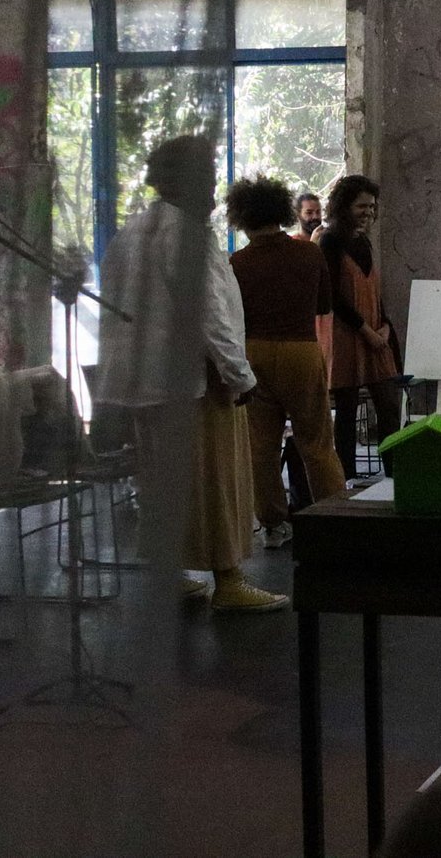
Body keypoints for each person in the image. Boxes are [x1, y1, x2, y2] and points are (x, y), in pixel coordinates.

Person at [94, 135, 287, 611]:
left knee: (162, 482)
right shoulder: (188, 235)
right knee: (215, 481)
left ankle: (170, 574)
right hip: (196, 384)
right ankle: (229, 581)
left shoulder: (131, 232)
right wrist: (239, 375)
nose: (212, 187)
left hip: (146, 384)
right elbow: (208, 313)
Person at [226, 175, 347, 547]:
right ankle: (335, 519)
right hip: (301, 351)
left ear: (241, 218)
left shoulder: (237, 262)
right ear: (281, 211)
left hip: (254, 353)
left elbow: (230, 316)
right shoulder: (309, 254)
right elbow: (324, 306)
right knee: (317, 443)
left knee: (261, 447)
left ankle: (274, 525)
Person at [318, 174, 403, 480]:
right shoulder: (329, 241)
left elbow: (374, 292)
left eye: (372, 206)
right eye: (362, 206)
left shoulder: (363, 242)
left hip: (375, 333)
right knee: (347, 411)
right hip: (347, 335)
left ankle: (394, 475)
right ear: (344, 206)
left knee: (389, 406)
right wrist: (365, 330)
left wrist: (385, 328)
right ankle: (347, 480)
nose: (368, 212)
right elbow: (333, 296)